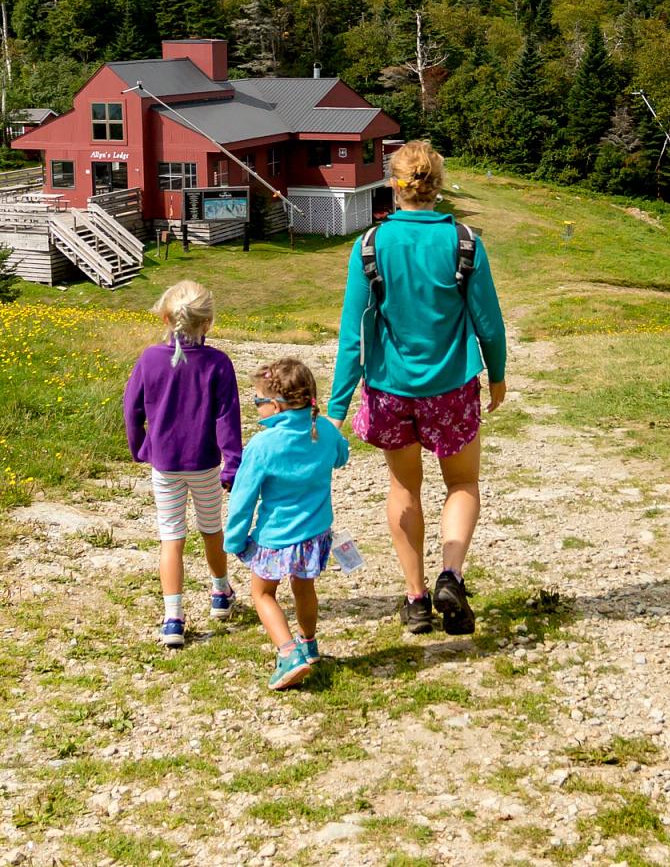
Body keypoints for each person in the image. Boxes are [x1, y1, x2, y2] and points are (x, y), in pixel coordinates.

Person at [329, 140, 507, 636]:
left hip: (389, 389)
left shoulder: (370, 245)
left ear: (394, 184)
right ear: (438, 185)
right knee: (463, 484)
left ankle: (415, 599)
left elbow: (353, 335)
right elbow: (488, 324)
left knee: (404, 487)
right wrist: (497, 374)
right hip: (450, 388)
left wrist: (336, 406)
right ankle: (451, 574)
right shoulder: (466, 241)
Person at [121, 280, 242, 648]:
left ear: (165, 317)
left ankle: (173, 618)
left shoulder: (149, 358)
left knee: (171, 538)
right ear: (208, 323)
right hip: (204, 464)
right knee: (210, 529)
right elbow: (228, 418)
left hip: (166, 465)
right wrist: (232, 465)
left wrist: (140, 447)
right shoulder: (218, 363)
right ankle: (220, 593)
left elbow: (131, 409)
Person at [224, 357, 351, 690]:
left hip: (275, 536)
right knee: (303, 588)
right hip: (315, 532)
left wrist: (235, 540)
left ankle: (288, 653)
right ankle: (309, 644)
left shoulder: (263, 446)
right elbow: (342, 455)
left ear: (276, 405)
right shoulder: (322, 428)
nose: (256, 409)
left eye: (258, 402)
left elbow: (242, 498)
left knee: (263, 593)